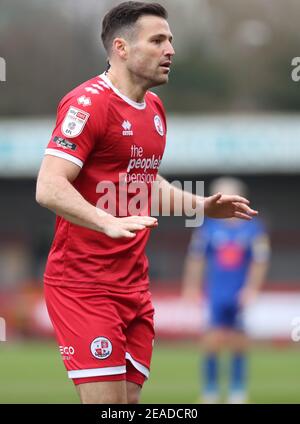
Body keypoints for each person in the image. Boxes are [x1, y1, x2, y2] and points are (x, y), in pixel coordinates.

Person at [36, 2, 258, 404]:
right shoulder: (88, 104)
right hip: (84, 284)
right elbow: (49, 186)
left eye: (170, 40)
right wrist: (104, 219)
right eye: (157, 40)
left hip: (134, 285)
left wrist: (202, 207)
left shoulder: (154, 110)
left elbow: (143, 184)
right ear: (121, 48)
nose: (169, 49)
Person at [182, 177, 270, 404]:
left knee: (239, 342)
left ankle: (237, 391)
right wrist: (191, 287)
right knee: (211, 341)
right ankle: (210, 390)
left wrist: (251, 289)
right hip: (216, 292)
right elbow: (196, 259)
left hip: (239, 293)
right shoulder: (208, 228)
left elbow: (259, 262)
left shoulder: (253, 228)